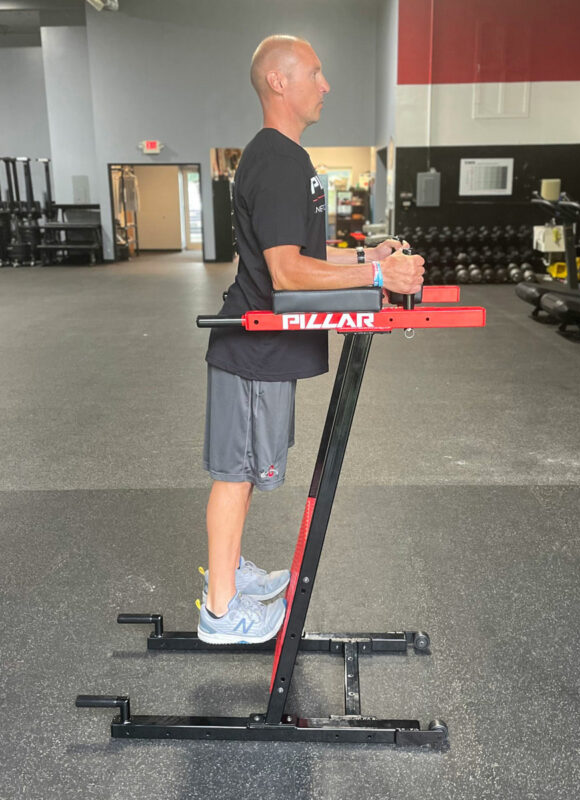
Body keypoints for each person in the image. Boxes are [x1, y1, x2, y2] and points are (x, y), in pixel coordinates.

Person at [197, 34, 424, 644]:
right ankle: (220, 611)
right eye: (316, 74)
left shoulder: (287, 157)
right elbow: (286, 272)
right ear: (279, 82)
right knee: (235, 473)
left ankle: (229, 572)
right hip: (252, 349)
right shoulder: (275, 159)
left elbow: (307, 257)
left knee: (245, 472)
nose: (326, 85)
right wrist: (378, 275)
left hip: (266, 353)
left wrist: (363, 256)